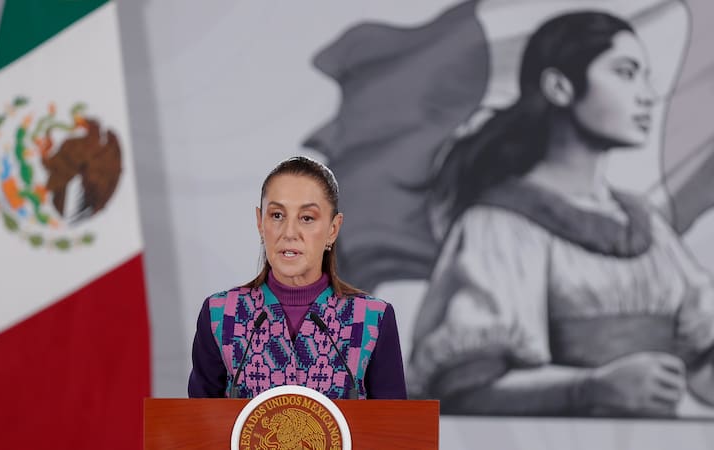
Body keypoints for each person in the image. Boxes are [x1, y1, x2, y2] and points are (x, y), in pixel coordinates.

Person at [406, 11, 714, 417]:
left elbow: (701, 361)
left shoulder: (647, 225)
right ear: (559, 87)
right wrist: (591, 388)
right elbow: (465, 390)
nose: (647, 95)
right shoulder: (499, 225)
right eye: (625, 73)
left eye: (645, 76)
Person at [188, 156, 407, 400]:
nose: (289, 233)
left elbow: (394, 430)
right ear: (260, 223)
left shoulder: (372, 319)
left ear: (333, 229)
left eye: (307, 218)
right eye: (277, 215)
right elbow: (198, 428)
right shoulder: (221, 315)